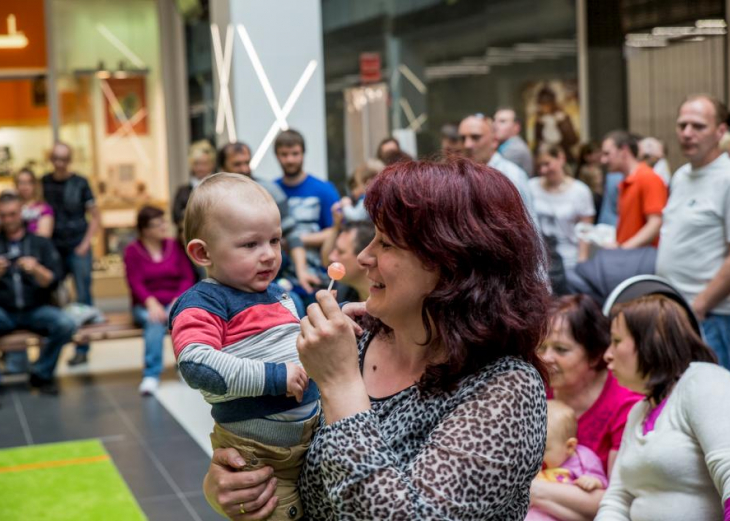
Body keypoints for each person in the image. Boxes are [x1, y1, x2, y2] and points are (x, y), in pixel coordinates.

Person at [204, 158, 550, 520]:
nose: (363, 257)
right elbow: (295, 469)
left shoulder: (507, 388)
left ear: (452, 264)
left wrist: (339, 384)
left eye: (386, 244)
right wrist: (231, 485)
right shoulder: (357, 341)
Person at [170, 173, 319, 521]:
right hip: (259, 453)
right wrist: (273, 377)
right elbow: (197, 365)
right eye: (250, 245)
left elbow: (301, 336)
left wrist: (343, 316)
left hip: (303, 440)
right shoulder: (205, 302)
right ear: (202, 252)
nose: (268, 255)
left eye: (275, 240)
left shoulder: (280, 295)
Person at [597, 295, 730, 520]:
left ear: (650, 342)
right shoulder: (638, 411)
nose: (607, 355)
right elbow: (617, 500)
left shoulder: (703, 381)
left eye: (617, 341)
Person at [533, 294, 642, 520]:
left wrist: (528, 488)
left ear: (594, 355)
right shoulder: (536, 388)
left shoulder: (624, 404)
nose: (546, 358)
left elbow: (615, 498)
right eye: (542, 347)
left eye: (561, 349)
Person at [657, 94, 730, 370]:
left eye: (698, 126)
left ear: (720, 131)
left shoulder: (726, 178)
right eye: (682, 125)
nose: (687, 133)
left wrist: (699, 307)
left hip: (710, 317)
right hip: (676, 314)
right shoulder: (681, 175)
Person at [217, 142, 316, 297]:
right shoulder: (212, 197)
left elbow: (292, 234)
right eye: (237, 164)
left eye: (247, 163)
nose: (244, 169)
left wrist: (302, 271)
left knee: (294, 299)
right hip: (226, 281)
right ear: (222, 167)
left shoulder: (269, 191)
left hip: (269, 276)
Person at [0, 191, 76, 394]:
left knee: (65, 324)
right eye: (3, 215)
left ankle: (42, 373)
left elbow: (55, 279)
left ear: (21, 214)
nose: (8, 219)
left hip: (36, 308)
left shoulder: (39, 243)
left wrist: (37, 270)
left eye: (12, 214)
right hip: (4, 311)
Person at [123, 206, 195, 396]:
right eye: (158, 224)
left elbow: (187, 277)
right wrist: (150, 302)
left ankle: (185, 369)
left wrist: (177, 300)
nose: (164, 227)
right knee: (153, 320)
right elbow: (134, 281)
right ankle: (151, 375)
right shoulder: (132, 251)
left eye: (164, 222)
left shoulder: (174, 246)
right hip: (145, 304)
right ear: (145, 229)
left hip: (174, 300)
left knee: (183, 320)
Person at [41, 141, 100, 366]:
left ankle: (82, 348)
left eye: (64, 159)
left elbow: (95, 216)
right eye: (56, 158)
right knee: (50, 294)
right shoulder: (44, 183)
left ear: (70, 159)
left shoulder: (81, 182)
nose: (60, 163)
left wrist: (86, 243)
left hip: (78, 246)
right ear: (51, 158)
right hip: (52, 249)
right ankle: (53, 345)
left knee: (83, 296)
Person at [274, 130, 340, 304]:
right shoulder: (271, 190)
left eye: (295, 153)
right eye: (284, 154)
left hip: (318, 277)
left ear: (303, 153)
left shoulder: (324, 190)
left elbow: (337, 231)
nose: (290, 159)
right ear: (277, 156)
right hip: (280, 277)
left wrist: (297, 239)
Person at [526, 400, 608, 521]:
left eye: (544, 451)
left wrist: (593, 481)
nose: (535, 456)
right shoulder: (532, 463)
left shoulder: (583, 458)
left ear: (569, 446)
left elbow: (603, 483)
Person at [530, 144, 595, 291]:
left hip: (569, 260)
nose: (543, 170)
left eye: (547, 164)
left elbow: (585, 229)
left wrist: (582, 261)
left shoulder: (580, 191)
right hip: (541, 261)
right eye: (539, 166)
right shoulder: (532, 187)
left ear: (561, 158)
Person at [458, 113, 537, 222]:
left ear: (494, 141)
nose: (467, 144)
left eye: (475, 137)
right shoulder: (460, 173)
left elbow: (530, 225)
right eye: (463, 138)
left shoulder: (511, 175)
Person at [600, 131, 667, 248]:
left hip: (641, 260)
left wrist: (624, 249)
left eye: (607, 154)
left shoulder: (648, 178)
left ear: (624, 151)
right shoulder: (626, 182)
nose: (603, 160)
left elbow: (655, 224)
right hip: (629, 258)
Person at [321, 220, 375, 302]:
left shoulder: (391, 309)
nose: (331, 257)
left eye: (340, 252)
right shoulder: (342, 294)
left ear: (364, 259)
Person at [171, 140, 216, 233]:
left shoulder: (219, 187)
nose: (200, 168)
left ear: (212, 165)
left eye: (204, 164)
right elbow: (176, 218)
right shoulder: (182, 191)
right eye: (196, 164)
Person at [534, 86, 579, 162]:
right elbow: (537, 141)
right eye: (542, 104)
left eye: (547, 103)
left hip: (563, 156)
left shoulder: (563, 118)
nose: (545, 107)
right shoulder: (539, 121)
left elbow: (573, 140)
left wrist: (561, 123)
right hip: (545, 156)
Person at [334, 159, 383, 224]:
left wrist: (346, 205)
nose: (353, 192)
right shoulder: (383, 198)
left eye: (357, 185)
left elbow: (355, 217)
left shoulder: (368, 200)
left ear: (368, 183)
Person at [494, 107, 534, 176]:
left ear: (516, 127)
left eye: (502, 121)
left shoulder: (516, 149)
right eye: (494, 120)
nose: (495, 125)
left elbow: (496, 175)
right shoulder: (505, 145)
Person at [15, 168, 54, 238]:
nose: (24, 186)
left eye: (28, 182)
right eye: (21, 182)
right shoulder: (11, 207)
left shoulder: (44, 209)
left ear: (35, 185)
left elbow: (44, 238)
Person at [575, 142, 604, 216]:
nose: (599, 155)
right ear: (587, 156)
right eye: (596, 152)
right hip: (593, 201)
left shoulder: (600, 168)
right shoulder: (586, 170)